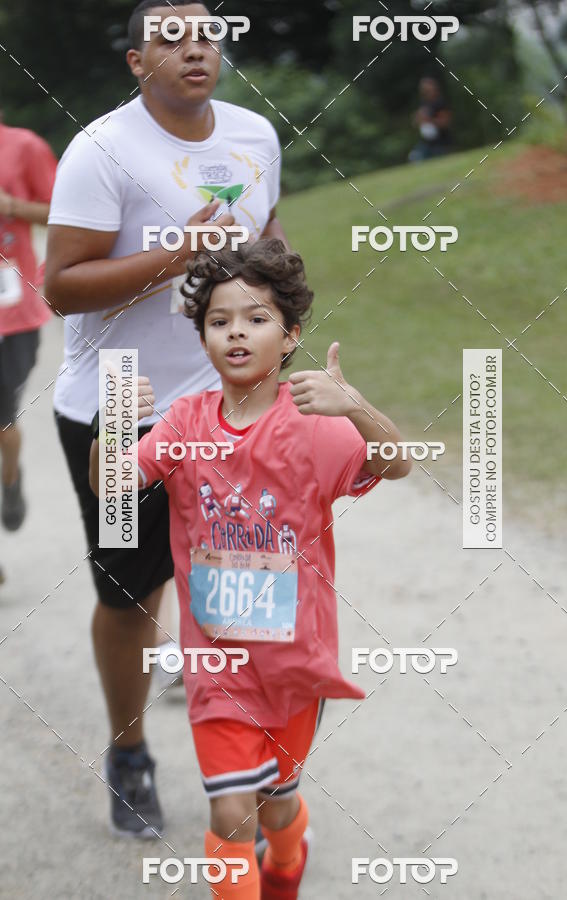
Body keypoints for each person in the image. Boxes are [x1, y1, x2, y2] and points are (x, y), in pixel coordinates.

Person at [89, 238, 412, 898]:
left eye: (256, 318)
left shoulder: (316, 422)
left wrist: (355, 406)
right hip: (216, 664)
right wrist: (114, 422)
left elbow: (397, 463)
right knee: (232, 814)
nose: (236, 331)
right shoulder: (184, 421)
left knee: (277, 809)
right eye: (219, 320)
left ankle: (289, 861)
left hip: (296, 663)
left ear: (290, 336)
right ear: (203, 336)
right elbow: (110, 487)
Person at [44, 0, 287, 838]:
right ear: (136, 61)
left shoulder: (254, 135)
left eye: (206, 35)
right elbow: (62, 285)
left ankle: (245, 774)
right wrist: (175, 257)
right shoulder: (101, 150)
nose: (193, 49)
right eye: (170, 38)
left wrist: (280, 303)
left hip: (230, 410)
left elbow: (267, 233)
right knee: (129, 596)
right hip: (119, 408)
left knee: (234, 592)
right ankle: (129, 750)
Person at [0, 109, 57, 535]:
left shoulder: (24, 147)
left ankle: (11, 478)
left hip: (14, 317)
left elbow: (63, 214)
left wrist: (12, 206)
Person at [408, 76, 453, 163]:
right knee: (414, 157)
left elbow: (446, 122)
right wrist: (417, 119)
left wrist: (429, 120)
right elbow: (416, 123)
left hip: (442, 142)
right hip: (427, 143)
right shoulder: (424, 104)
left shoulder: (440, 103)